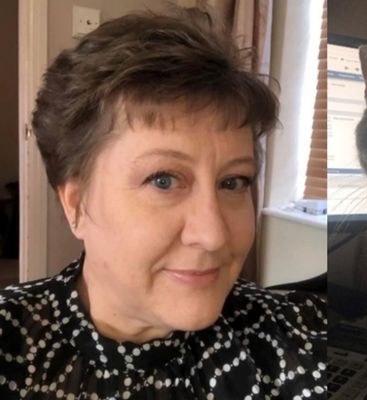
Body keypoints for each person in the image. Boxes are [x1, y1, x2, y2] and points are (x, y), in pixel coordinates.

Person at [0, 6, 326, 399]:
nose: (213, 235)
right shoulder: (10, 343)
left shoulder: (302, 338)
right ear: (77, 205)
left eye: (233, 181)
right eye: (163, 180)